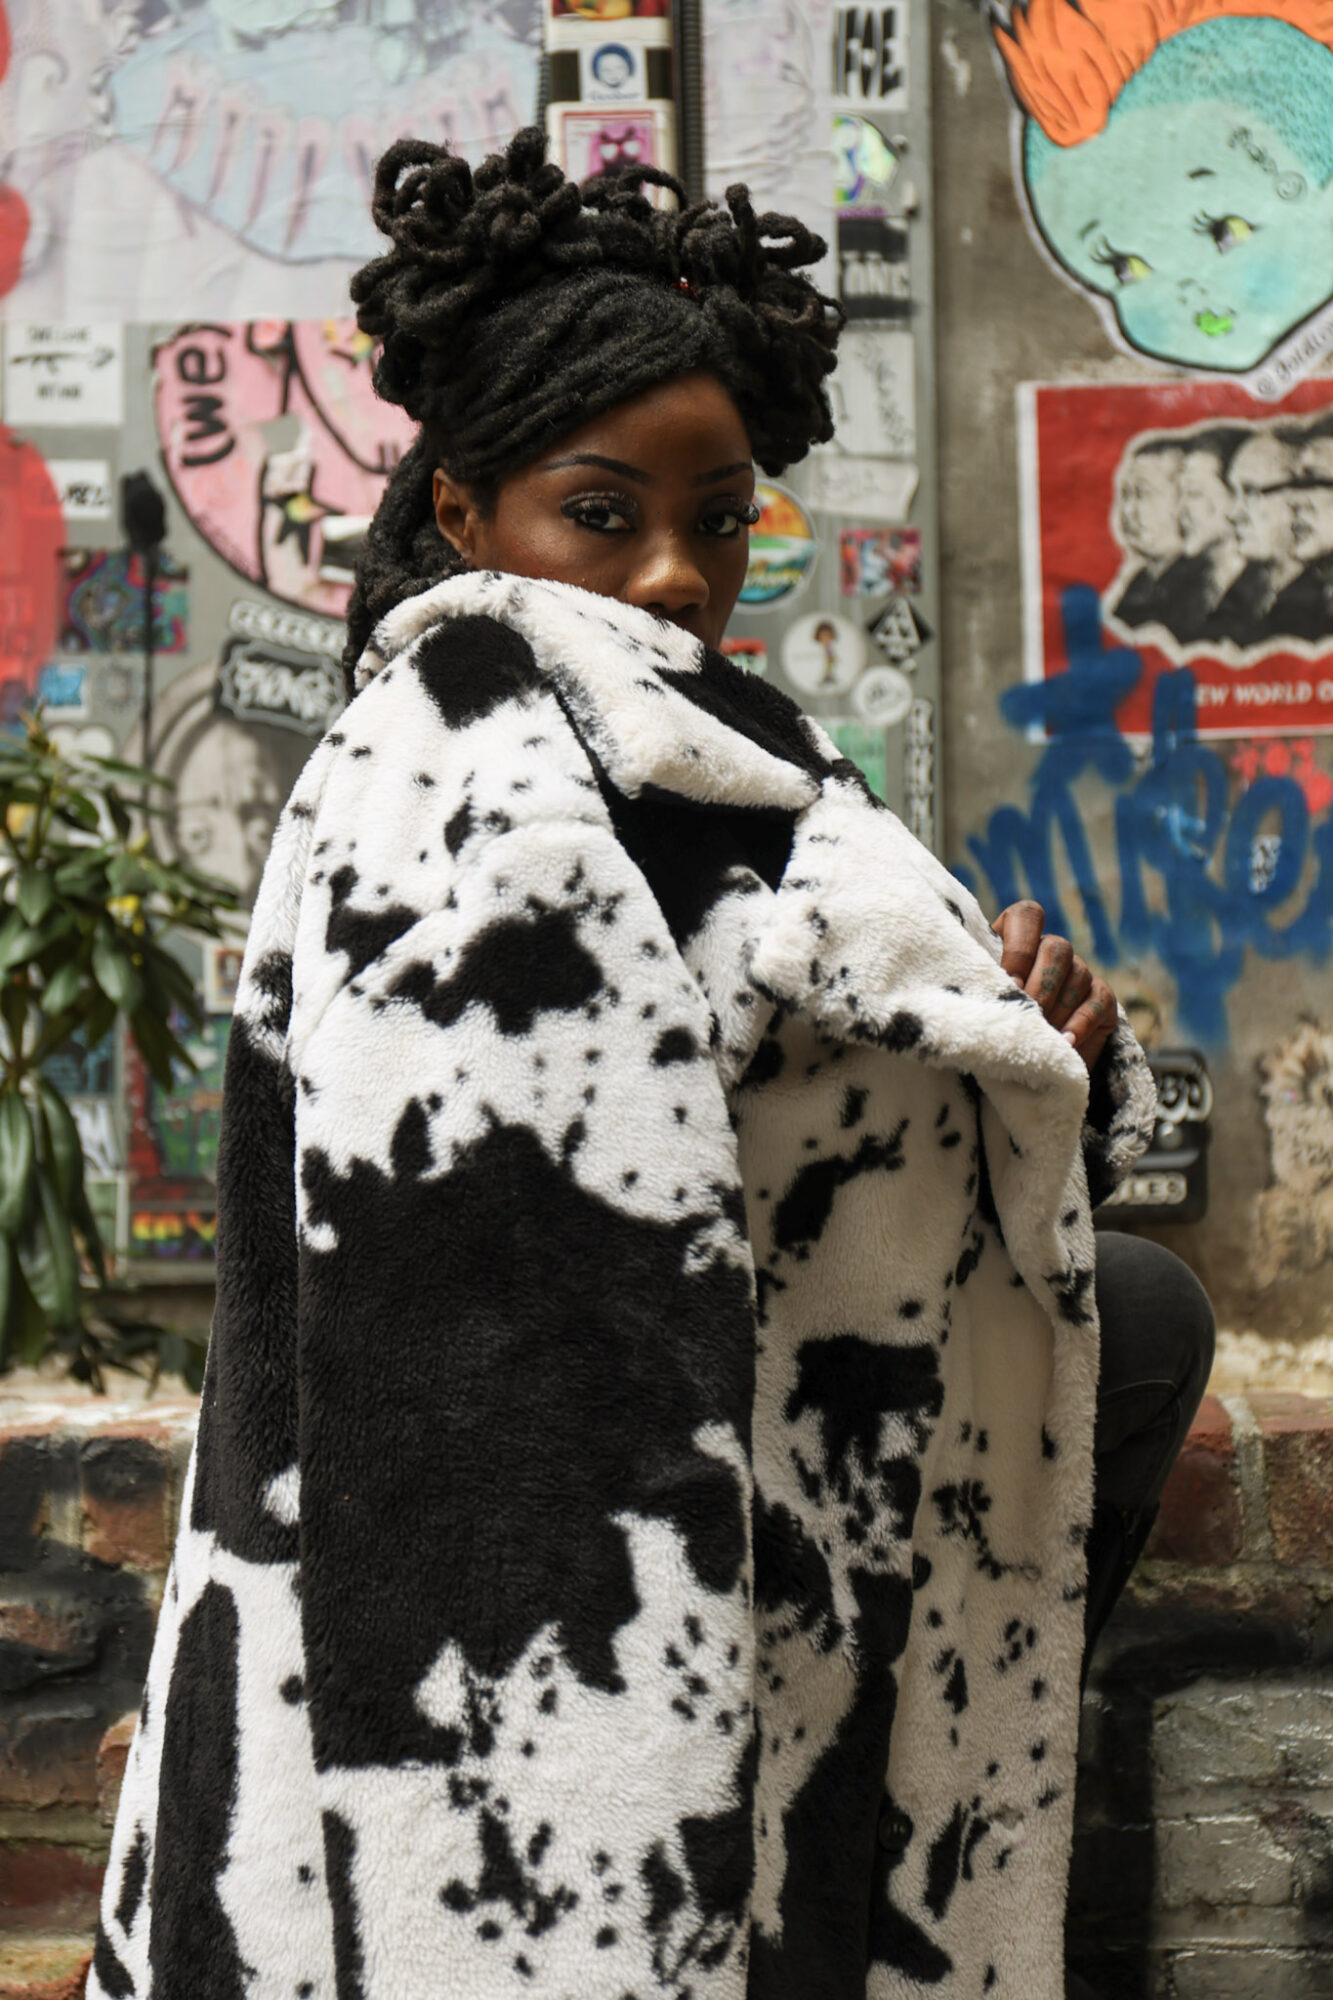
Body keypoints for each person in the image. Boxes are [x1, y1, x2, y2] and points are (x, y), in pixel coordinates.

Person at [89, 131, 1212, 2000]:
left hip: (733, 1552)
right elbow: (515, 1331)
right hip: (557, 1675)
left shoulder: (698, 772)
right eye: (600, 512)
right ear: (465, 515)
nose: (676, 573)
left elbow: (803, 1178)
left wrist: (1012, 1061)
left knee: (1152, 1316)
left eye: (722, 517)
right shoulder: (461, 763)